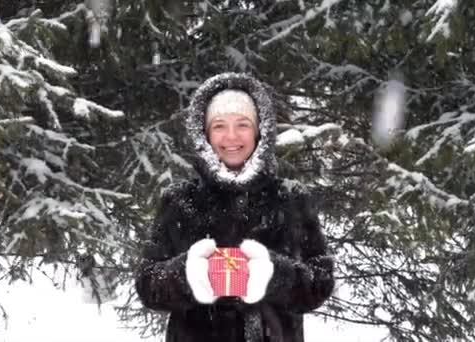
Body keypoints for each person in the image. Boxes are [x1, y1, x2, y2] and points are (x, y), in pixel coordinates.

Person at [135, 72, 335, 342]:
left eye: (242, 124)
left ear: (259, 130)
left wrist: (274, 273)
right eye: (219, 126)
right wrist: (186, 275)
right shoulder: (179, 200)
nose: (231, 136)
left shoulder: (291, 199)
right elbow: (148, 285)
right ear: (204, 134)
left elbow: (320, 283)